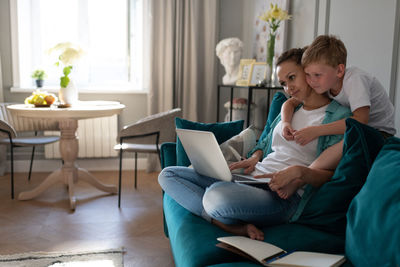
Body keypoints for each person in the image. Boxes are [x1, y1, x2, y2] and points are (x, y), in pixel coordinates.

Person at [158, 48, 351, 240]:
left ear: (308, 72)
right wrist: (255, 157)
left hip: (283, 196)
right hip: (253, 178)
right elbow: (266, 141)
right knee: (168, 174)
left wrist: (298, 173)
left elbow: (332, 175)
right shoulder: (291, 110)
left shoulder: (338, 117)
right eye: (283, 83)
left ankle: (224, 217)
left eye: (292, 77)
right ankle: (225, 222)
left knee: (215, 196)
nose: (288, 88)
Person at [280, 35, 396, 170]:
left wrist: (316, 131)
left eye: (317, 75)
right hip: (358, 129)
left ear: (339, 71)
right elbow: (290, 103)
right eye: (307, 74)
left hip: (380, 133)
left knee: (346, 141)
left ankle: (307, 174)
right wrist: (285, 123)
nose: (311, 81)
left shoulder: (354, 79)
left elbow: (360, 121)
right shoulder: (325, 83)